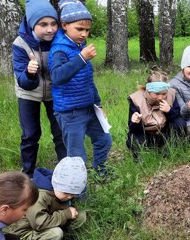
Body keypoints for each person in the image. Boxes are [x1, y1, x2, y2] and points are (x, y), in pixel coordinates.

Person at [48, 0, 112, 177]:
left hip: (89, 108)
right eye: (80, 29)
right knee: (77, 156)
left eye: (87, 30)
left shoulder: (79, 45)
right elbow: (57, 77)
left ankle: (100, 173)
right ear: (65, 25)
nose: (84, 34)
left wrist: (98, 105)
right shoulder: (60, 49)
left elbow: (87, 80)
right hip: (70, 112)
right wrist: (82, 58)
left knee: (104, 140)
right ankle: (78, 193)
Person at [12, 0, 67, 178]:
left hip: (54, 92)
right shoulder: (20, 44)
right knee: (30, 134)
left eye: (53, 23)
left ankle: (66, 172)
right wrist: (29, 73)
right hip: (28, 92)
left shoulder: (60, 40)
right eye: (43, 24)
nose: (50, 29)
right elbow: (24, 82)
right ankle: (27, 175)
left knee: (60, 132)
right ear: (31, 23)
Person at [12, 156, 87, 240]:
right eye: (66, 192)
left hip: (48, 220)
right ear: (56, 183)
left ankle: (66, 234)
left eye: (73, 194)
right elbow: (38, 223)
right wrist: (66, 214)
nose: (69, 196)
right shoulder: (39, 196)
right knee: (56, 233)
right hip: (28, 232)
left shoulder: (59, 192)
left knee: (80, 216)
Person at [126, 71, 186, 161]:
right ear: (148, 91)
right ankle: (140, 159)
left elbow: (177, 117)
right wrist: (135, 122)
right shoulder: (136, 99)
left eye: (164, 94)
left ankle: (170, 152)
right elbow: (133, 129)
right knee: (134, 139)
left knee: (180, 123)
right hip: (145, 134)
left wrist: (169, 111)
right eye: (157, 94)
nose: (160, 97)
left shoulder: (171, 94)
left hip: (164, 133)